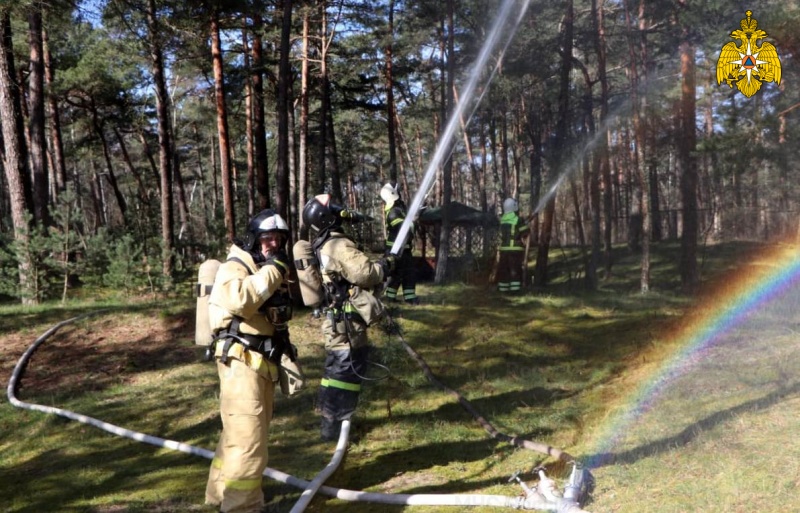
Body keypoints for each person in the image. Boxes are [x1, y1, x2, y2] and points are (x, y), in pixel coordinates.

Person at [205, 209, 292, 513]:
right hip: (241, 361)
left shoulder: (261, 266)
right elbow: (241, 299)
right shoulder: (236, 266)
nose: (274, 244)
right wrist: (274, 270)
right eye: (268, 238)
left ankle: (219, 493)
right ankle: (243, 507)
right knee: (248, 438)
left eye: (279, 239)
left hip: (257, 361)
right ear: (254, 239)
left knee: (239, 432)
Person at [302, 193, 394, 441]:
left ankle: (330, 424)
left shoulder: (323, 243)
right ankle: (338, 429)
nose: (341, 210)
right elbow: (365, 273)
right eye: (334, 208)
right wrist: (384, 266)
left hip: (337, 323)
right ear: (327, 217)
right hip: (348, 325)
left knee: (334, 371)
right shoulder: (338, 245)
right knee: (346, 372)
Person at [380, 182, 419, 304]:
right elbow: (404, 230)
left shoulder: (398, 210)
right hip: (397, 252)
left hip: (401, 250)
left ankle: (401, 298)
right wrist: (414, 222)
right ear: (393, 193)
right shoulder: (394, 212)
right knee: (403, 274)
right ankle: (397, 298)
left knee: (403, 274)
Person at [497, 197, 529, 293]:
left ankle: (503, 289)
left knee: (504, 270)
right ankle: (514, 291)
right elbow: (525, 232)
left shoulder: (502, 219)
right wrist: (525, 224)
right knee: (514, 270)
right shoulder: (518, 219)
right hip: (515, 249)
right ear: (514, 207)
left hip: (504, 249)